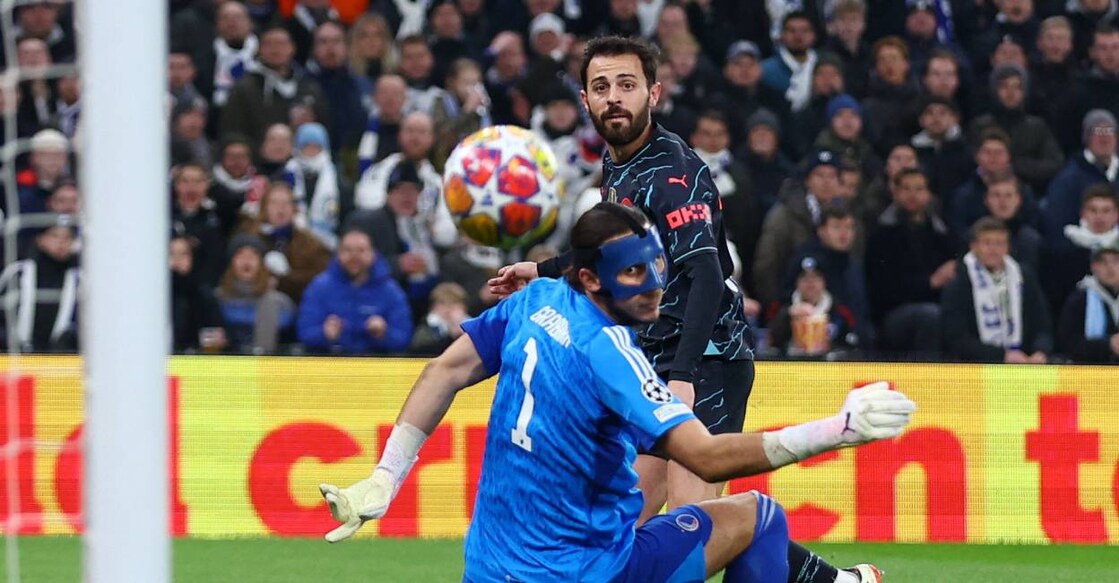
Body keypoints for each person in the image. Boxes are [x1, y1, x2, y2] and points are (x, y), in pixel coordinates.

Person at [319, 203, 916, 583]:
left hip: (490, 572)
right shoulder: (613, 357)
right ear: (589, 277)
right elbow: (705, 456)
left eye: (656, 265)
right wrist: (838, 430)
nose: (654, 284)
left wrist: (386, 476)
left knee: (646, 499)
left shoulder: (533, 300)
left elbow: (443, 372)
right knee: (758, 518)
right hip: (590, 573)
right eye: (634, 272)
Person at [486, 36, 882, 583]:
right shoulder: (618, 163)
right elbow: (612, 255)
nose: (614, 98)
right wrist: (542, 270)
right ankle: (836, 581)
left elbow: (704, 274)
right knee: (629, 528)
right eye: (602, 88)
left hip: (705, 360)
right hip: (650, 364)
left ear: (655, 92)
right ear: (585, 99)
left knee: (691, 527)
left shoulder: (675, 171)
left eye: (627, 85)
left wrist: (683, 375)